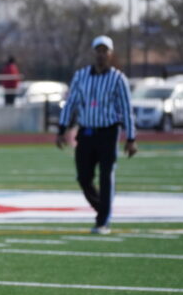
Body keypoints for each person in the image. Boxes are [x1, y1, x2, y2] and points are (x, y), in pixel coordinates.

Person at [55, 35, 138, 235]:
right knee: (83, 177)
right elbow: (70, 104)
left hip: (108, 132)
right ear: (94, 53)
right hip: (86, 132)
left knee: (106, 176)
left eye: (105, 51)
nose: (101, 55)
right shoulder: (81, 76)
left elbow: (126, 109)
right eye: (98, 51)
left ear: (110, 53)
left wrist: (131, 138)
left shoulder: (118, 78)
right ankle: (103, 208)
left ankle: (102, 221)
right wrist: (61, 129)